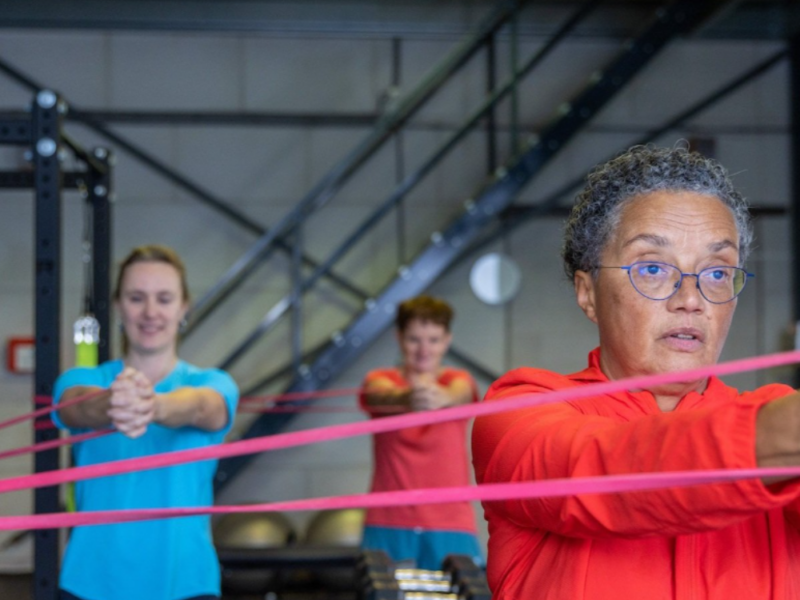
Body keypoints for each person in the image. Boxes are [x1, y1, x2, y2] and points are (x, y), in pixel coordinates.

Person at [472, 145, 800, 599]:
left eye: (718, 273)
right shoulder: (521, 412)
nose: (691, 298)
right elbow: (609, 471)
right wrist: (776, 438)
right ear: (587, 293)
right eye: (652, 267)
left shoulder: (778, 415)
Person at [53, 244, 239, 600]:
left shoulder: (214, 384)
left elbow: (204, 408)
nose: (150, 312)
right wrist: (112, 403)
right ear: (119, 306)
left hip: (185, 584)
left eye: (164, 299)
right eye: (136, 298)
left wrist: (154, 406)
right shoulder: (83, 380)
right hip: (91, 584)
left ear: (184, 307)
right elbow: (75, 406)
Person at [360, 295, 483, 570]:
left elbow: (461, 393)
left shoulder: (458, 380)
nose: (424, 349)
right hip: (389, 522)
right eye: (415, 339)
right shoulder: (380, 379)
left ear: (447, 340)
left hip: (450, 524)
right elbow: (379, 395)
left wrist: (441, 396)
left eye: (434, 340)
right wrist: (408, 397)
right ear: (399, 338)